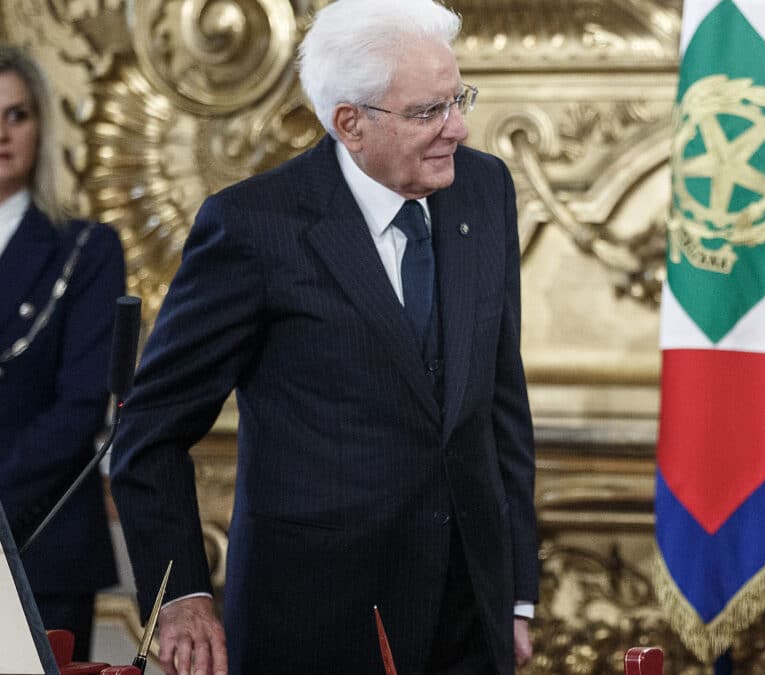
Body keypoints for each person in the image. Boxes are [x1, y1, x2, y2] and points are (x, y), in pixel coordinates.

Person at [108, 1, 538, 673]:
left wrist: (516, 594)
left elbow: (499, 401)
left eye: (458, 99)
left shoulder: (486, 189)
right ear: (351, 123)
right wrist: (183, 594)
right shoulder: (254, 227)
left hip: (467, 615)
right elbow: (149, 432)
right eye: (429, 111)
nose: (458, 126)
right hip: (316, 620)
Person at [0, 44, 125, 662]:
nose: (1, 133)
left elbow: (81, 407)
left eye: (16, 115)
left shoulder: (87, 248)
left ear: (40, 125)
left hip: (40, 544)